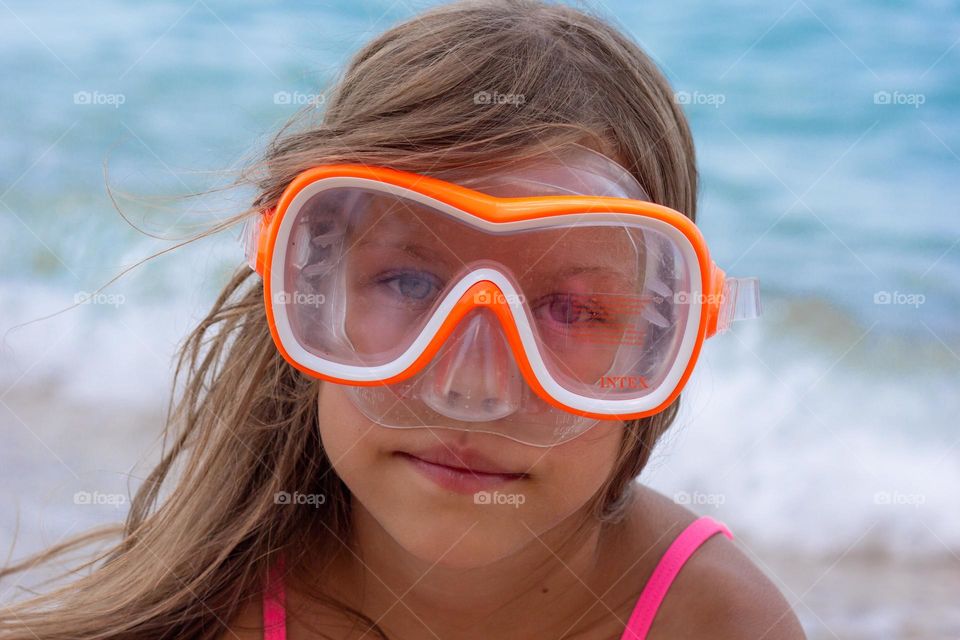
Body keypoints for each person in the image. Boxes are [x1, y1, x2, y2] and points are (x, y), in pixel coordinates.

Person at [0, 1, 803, 638]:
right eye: (411, 280)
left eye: (569, 308)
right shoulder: (211, 619)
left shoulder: (719, 626)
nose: (471, 387)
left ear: (665, 337)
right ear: (306, 280)